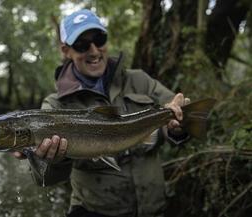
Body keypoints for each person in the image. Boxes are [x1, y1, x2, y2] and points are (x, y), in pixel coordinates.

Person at [14, 9, 190, 217]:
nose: (94, 50)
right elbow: (43, 179)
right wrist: (52, 159)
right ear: (66, 50)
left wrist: (180, 123)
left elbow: (182, 116)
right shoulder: (54, 105)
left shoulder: (140, 80)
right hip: (93, 211)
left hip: (155, 208)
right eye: (82, 44)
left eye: (99, 39)